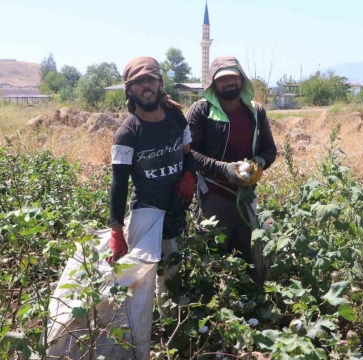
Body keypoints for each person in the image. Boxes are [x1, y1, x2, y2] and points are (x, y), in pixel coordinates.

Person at [109, 56, 196, 316]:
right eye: (139, 82)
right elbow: (119, 182)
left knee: (172, 273)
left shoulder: (176, 118)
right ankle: (141, 330)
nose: (146, 86)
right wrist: (116, 230)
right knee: (140, 277)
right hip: (146, 212)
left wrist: (190, 175)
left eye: (151, 79)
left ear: (159, 83)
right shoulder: (128, 131)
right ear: (130, 90)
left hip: (175, 209)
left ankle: (171, 325)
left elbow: (188, 153)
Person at [187, 56, 277, 284]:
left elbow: (270, 150)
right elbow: (188, 154)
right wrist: (223, 168)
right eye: (222, 79)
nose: (228, 82)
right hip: (213, 195)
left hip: (246, 195)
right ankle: (216, 312)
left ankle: (250, 310)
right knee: (215, 257)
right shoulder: (201, 111)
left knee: (249, 254)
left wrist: (258, 163)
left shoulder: (256, 112)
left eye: (233, 77)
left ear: (241, 80)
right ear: (213, 84)